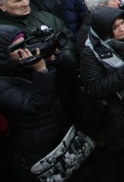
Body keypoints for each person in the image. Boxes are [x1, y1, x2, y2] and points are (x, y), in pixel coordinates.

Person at [80, 7, 124, 182]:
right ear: (104, 30)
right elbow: (97, 87)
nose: (122, 29)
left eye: (122, 23)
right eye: (115, 27)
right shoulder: (91, 53)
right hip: (118, 116)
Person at [0, 25, 81, 181]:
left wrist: (53, 58)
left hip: (59, 131)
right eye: (18, 48)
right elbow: (37, 105)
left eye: (26, 44)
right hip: (37, 146)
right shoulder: (3, 84)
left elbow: (69, 70)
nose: (26, 50)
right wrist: (41, 70)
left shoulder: (25, 65)